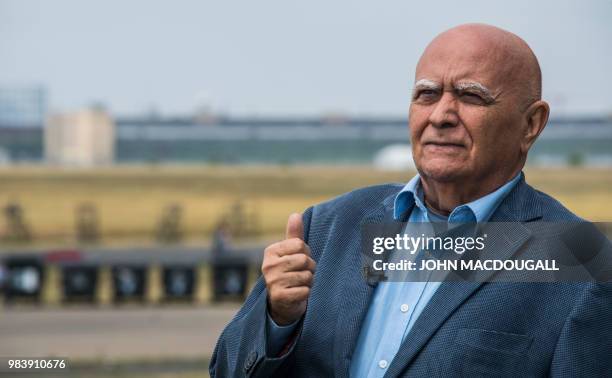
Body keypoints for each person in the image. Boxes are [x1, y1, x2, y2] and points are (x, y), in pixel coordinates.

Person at [209, 23, 612, 377]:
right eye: (426, 94)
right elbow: (227, 370)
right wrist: (277, 319)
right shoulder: (330, 227)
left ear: (531, 124)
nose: (441, 115)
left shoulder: (578, 260)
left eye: (471, 97)